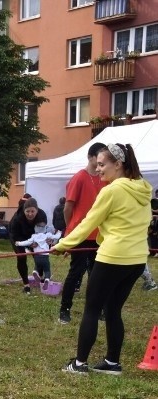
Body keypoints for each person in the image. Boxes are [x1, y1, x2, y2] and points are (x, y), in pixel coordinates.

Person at [55, 143, 152, 375]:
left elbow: (89, 222)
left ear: (118, 165)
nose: (97, 169)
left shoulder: (111, 191)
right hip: (137, 259)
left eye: (102, 164)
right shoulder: (143, 188)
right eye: (96, 164)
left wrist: (63, 244)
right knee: (113, 309)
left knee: (92, 308)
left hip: (113, 257)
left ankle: (78, 364)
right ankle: (112, 363)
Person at [58, 142, 108, 324]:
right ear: (91, 157)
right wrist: (72, 231)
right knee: (76, 272)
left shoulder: (105, 180)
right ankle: (64, 309)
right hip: (81, 235)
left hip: (99, 235)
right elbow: (68, 208)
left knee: (97, 274)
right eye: (99, 157)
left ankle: (99, 309)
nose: (102, 161)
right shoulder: (79, 177)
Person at [9, 196, 48, 294]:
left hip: (33, 235)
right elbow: (15, 236)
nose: (30, 214)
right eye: (27, 211)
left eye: (32, 211)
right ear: (24, 210)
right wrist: (28, 244)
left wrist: (38, 242)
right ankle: (26, 284)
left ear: (37, 210)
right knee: (21, 257)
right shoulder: (17, 218)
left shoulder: (42, 216)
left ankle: (40, 276)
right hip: (18, 237)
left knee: (40, 255)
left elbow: (42, 234)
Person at [15, 221, 61, 287]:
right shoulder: (47, 235)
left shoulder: (34, 236)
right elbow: (56, 237)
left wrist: (19, 243)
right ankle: (47, 279)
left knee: (38, 265)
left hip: (36, 256)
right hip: (45, 256)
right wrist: (59, 232)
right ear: (45, 229)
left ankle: (35, 271)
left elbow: (27, 242)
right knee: (47, 270)